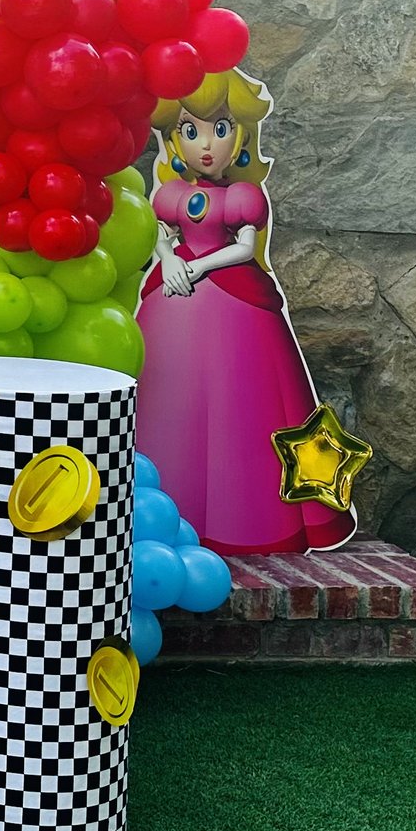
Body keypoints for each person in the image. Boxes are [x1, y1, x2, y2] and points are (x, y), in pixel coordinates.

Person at [136, 68, 351, 553]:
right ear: (174, 139)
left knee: (241, 399)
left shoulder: (242, 196)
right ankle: (160, 509)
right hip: (173, 300)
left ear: (241, 137)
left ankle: (245, 520)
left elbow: (244, 248)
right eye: (190, 131)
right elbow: (159, 234)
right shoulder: (170, 194)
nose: (206, 145)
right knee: (169, 398)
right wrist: (169, 259)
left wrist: (196, 266)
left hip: (235, 300)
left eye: (220, 129)